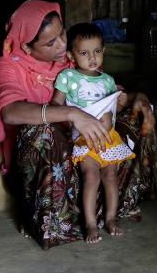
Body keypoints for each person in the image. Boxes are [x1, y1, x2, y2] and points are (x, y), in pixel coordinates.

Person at [0, 0, 157, 249]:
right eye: (51, 43)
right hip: (48, 150)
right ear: (28, 48)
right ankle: (43, 214)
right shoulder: (10, 65)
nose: (62, 45)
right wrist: (70, 114)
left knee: (134, 119)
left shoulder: (72, 59)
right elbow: (9, 112)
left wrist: (139, 99)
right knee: (41, 133)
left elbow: (104, 94)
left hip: (84, 141)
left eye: (62, 32)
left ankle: (112, 209)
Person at [51, 22, 135, 243]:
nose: (92, 58)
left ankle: (110, 219)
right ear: (71, 54)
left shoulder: (107, 80)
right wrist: (74, 115)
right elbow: (56, 105)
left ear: (103, 51)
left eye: (97, 51)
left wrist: (122, 102)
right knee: (91, 176)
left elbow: (113, 109)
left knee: (110, 176)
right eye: (84, 53)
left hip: (109, 139)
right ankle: (90, 224)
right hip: (84, 139)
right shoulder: (67, 77)